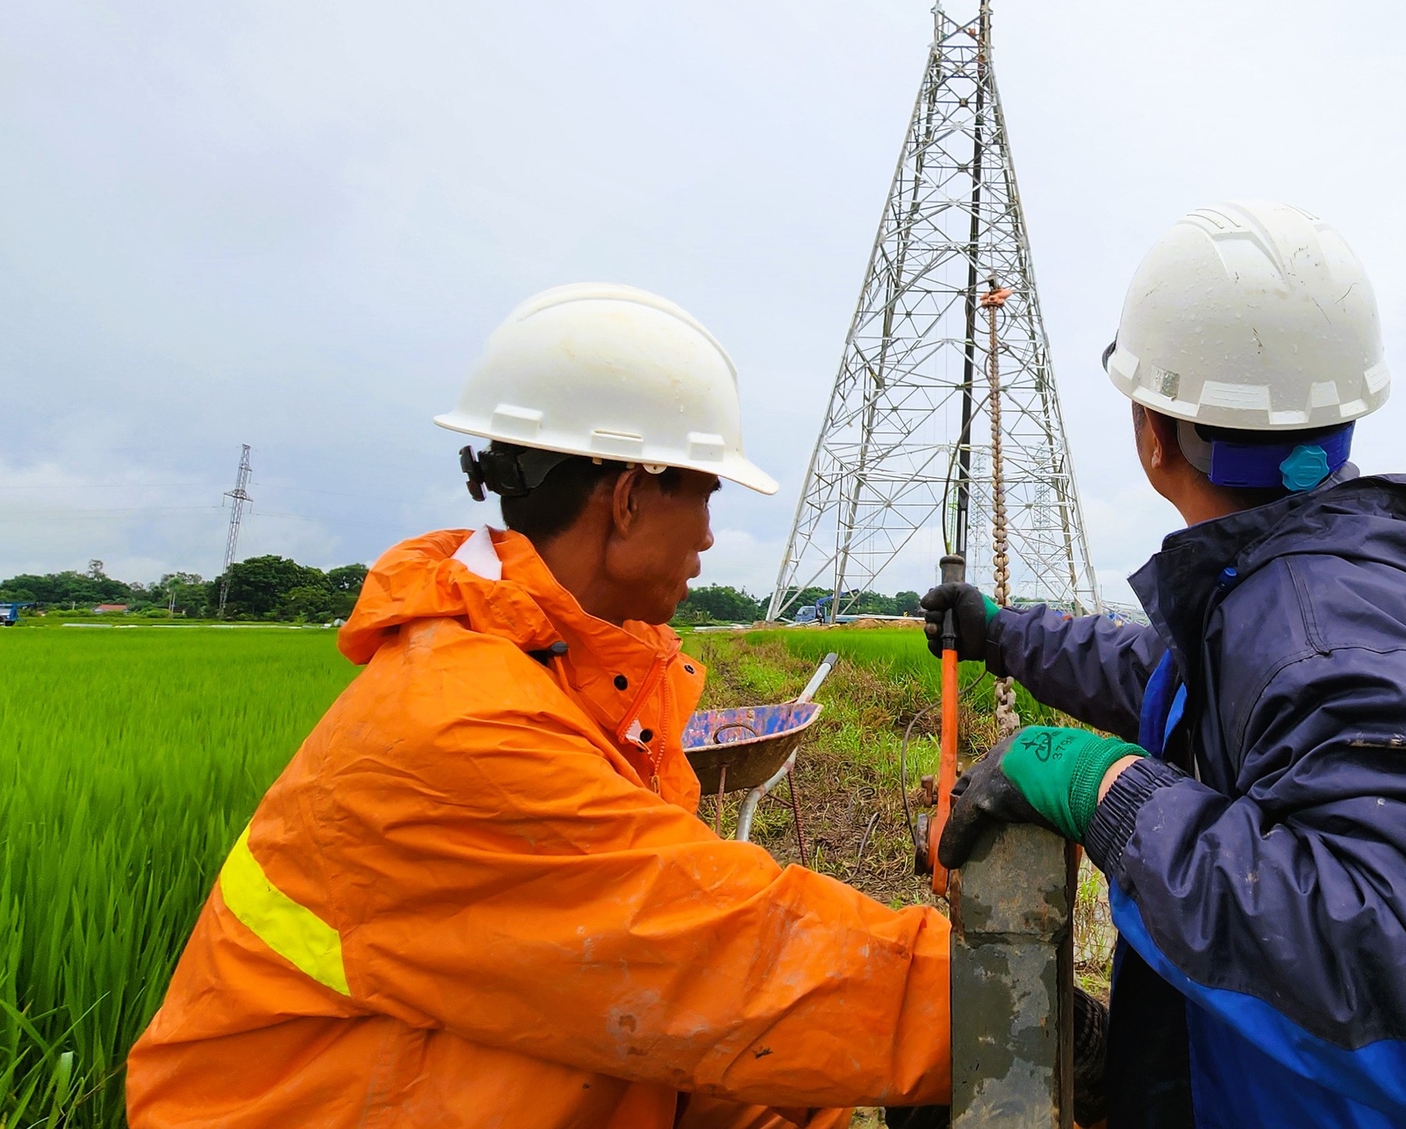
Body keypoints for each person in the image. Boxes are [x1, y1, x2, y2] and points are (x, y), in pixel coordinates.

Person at [927, 202, 1406, 1128]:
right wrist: (1004, 631)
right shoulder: (1282, 589)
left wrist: (1111, 790)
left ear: (1150, 433)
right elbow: (1167, 678)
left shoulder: (1318, 626)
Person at [128, 284, 951, 1129]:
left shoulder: (572, 680)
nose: (710, 535)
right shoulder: (464, 723)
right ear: (629, 496)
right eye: (706, 493)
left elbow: (654, 1023)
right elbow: (710, 956)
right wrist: (994, 1009)